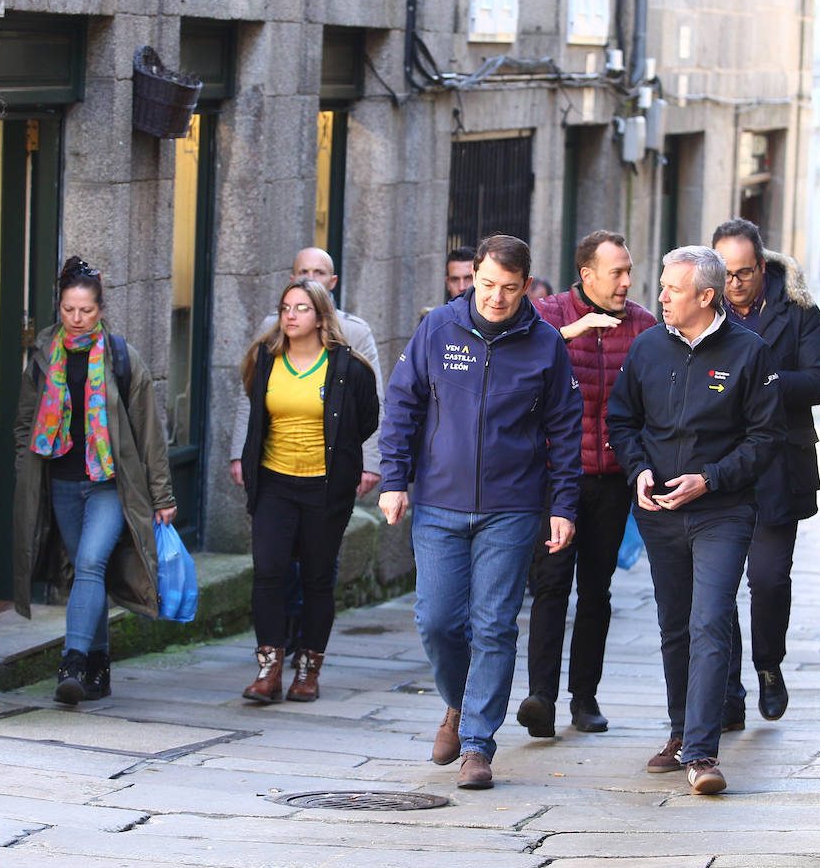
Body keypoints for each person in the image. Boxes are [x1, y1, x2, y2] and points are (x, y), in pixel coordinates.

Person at [379, 234, 583, 790]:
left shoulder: (544, 344)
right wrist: (394, 479)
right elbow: (402, 403)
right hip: (439, 502)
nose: (496, 298)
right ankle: (458, 703)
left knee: (494, 625)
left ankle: (476, 743)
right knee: (438, 620)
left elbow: (565, 430)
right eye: (488, 285)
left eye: (509, 289)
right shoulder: (438, 329)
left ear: (526, 286)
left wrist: (563, 505)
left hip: (512, 507)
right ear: (474, 277)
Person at [607, 245, 784, 796]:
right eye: (661, 286)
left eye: (672, 289)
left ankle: (702, 754)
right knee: (675, 624)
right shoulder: (647, 348)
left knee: (711, 620)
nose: (659, 297)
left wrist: (709, 479)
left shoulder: (749, 353)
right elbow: (621, 419)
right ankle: (681, 730)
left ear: (706, 297)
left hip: (722, 512)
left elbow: (766, 438)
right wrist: (637, 469)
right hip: (660, 512)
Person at [13, 256, 178, 705]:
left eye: (85, 310)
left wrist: (162, 494)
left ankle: (72, 661)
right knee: (91, 574)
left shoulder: (123, 357)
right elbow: (26, 425)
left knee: (88, 563)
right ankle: (99, 670)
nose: (77, 318)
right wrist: (23, 475)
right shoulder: (43, 356)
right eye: (68, 310)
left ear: (100, 309)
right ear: (59, 308)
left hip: (109, 483)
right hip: (62, 482)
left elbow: (149, 431)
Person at [518, 230, 657, 737]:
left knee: (597, 589)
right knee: (551, 585)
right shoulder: (548, 315)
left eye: (628, 271)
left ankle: (585, 697)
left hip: (612, 479)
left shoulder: (643, 325)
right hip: (557, 477)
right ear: (587, 274)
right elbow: (520, 367)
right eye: (616, 272)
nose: (626, 281)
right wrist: (573, 331)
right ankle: (541, 697)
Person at [228, 248, 385, 663]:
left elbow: (369, 414)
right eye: (285, 308)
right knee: (269, 572)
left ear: (321, 314)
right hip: (274, 480)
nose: (291, 316)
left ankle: (308, 664)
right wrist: (240, 457)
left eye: (301, 309)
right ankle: (269, 664)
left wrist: (361, 461)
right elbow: (250, 405)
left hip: (325, 484)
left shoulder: (348, 364)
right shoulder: (265, 355)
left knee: (317, 577)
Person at [711, 218, 820, 728]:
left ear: (763, 267)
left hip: (778, 466)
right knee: (717, 587)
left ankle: (769, 666)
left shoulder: (799, 311)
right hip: (716, 468)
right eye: (726, 273)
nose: (734, 283)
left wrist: (765, 382)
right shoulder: (699, 305)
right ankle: (728, 690)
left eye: (744, 273)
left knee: (766, 579)